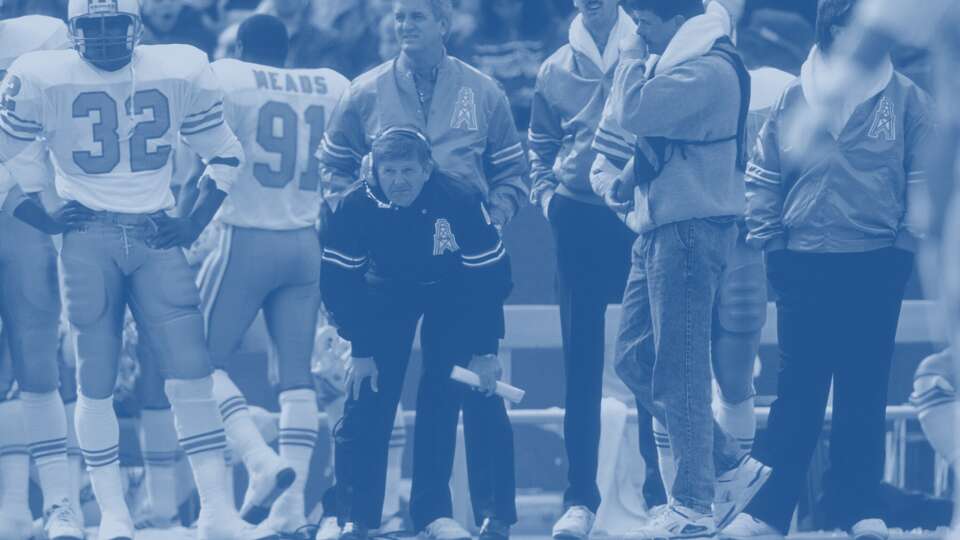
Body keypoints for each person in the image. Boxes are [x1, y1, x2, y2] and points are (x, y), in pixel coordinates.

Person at [0, 0, 281, 537]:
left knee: (192, 372)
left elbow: (225, 152)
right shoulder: (41, 73)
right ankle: (113, 514)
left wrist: (193, 222)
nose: (104, 37)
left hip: (154, 230)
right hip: (88, 237)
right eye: (93, 26)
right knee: (95, 377)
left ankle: (217, 511)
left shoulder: (176, 67)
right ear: (75, 30)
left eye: (113, 25)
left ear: (135, 26)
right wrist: (43, 217)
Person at [727, 0, 934, 538]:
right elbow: (764, 172)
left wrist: (904, 248)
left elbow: (924, 175)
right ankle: (768, 514)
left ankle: (857, 506)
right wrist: (771, 242)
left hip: (876, 262)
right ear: (834, 29)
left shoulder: (907, 98)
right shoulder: (795, 98)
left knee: (863, 388)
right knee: (797, 390)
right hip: (803, 261)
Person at [601, 0, 771, 537]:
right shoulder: (684, 60)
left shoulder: (710, 67)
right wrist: (629, 176)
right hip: (659, 228)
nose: (638, 34)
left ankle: (694, 505)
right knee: (633, 357)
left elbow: (634, 113)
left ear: (676, 19)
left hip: (690, 233)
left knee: (681, 369)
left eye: (646, 23)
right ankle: (727, 464)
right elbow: (666, 138)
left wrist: (627, 56)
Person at [320, 126, 516, 540]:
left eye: (408, 170)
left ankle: (440, 513)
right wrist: (361, 348)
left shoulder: (461, 198)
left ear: (428, 169)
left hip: (453, 290)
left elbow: (490, 279)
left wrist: (485, 350)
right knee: (368, 394)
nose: (399, 181)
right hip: (385, 290)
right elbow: (339, 284)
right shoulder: (356, 204)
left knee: (451, 393)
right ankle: (356, 517)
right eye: (389, 170)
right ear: (374, 170)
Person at [201, 13, 350, 536]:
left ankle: (257, 458)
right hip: (305, 240)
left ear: (240, 46)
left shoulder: (231, 77)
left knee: (194, 364)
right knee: (297, 381)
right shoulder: (327, 85)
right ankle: (289, 516)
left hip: (247, 235)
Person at [525, 0, 639, 536]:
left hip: (641, 215)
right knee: (582, 365)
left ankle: (668, 495)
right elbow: (539, 146)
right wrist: (548, 199)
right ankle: (581, 499)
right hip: (578, 218)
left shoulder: (651, 49)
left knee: (657, 357)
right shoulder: (553, 68)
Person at [318, 0, 529, 232]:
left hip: (463, 242)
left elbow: (511, 172)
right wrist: (354, 218)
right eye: (400, 17)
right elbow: (333, 165)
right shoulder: (362, 91)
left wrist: (492, 220)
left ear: (442, 25)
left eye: (417, 17)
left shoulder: (485, 91)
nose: (406, 25)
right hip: (384, 246)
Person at [0, 13, 85, 540]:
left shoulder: (42, 36)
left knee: (39, 365)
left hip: (26, 216)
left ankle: (60, 503)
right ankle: (12, 507)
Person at [463, 0, 562, 129]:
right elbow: (471, 90)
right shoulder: (473, 39)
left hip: (543, 123)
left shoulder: (551, 31)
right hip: (495, 125)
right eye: (499, 5)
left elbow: (558, 82)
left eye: (514, 3)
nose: (508, 11)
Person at [140, 0, 217, 58]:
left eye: (173, 0)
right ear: (144, 6)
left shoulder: (199, 30)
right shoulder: (133, 31)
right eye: (158, 0)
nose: (167, 4)